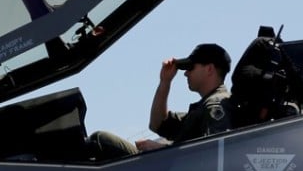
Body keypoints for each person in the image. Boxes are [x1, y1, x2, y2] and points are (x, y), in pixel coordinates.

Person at [88, 43, 232, 160]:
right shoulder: (203, 107)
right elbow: (157, 124)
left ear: (209, 69)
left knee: (101, 140)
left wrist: (160, 150)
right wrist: (165, 82)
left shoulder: (216, 105)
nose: (186, 73)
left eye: (190, 67)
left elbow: (214, 154)